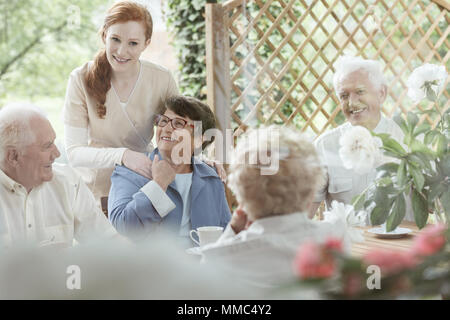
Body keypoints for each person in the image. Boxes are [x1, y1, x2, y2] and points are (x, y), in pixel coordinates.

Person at [198, 126, 352, 288]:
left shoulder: (220, 256)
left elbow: (200, 286)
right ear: (311, 193)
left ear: (242, 199)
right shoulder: (335, 237)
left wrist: (232, 230)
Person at [63, 1, 178, 200]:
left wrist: (201, 161)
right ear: (104, 35)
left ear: (146, 43)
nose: (122, 51)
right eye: (115, 39)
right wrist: (123, 155)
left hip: (145, 184)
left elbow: (180, 132)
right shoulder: (80, 79)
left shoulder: (162, 79)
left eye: (133, 43)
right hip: (97, 192)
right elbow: (74, 153)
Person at [108, 96, 231, 246]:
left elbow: (225, 233)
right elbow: (123, 227)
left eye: (178, 123)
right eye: (163, 121)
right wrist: (158, 185)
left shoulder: (211, 177)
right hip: (155, 267)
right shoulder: (130, 171)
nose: (166, 128)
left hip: (203, 266)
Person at [0, 104, 119, 248]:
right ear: (13, 156)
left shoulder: (68, 183)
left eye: (54, 143)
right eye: (47, 146)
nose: (57, 154)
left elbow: (108, 242)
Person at [309, 56, 413, 221]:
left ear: (381, 93)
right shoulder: (324, 146)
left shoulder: (409, 140)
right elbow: (304, 213)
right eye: (344, 96)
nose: (351, 102)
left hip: (400, 246)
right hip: (349, 246)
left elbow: (433, 206)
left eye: (360, 92)